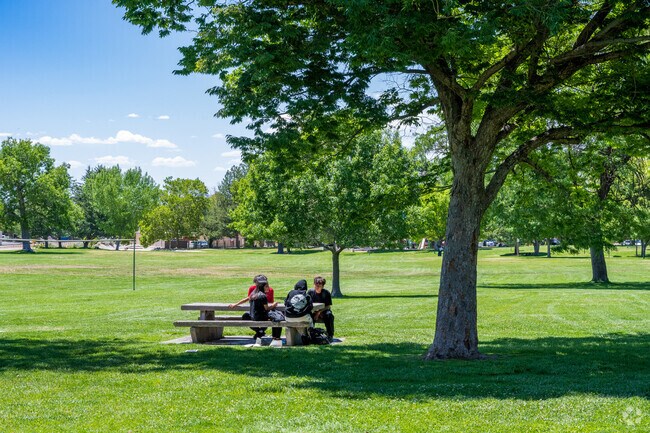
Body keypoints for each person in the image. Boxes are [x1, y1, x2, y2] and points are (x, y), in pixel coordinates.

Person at [247, 277, 283, 344]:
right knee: (278, 318)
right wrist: (273, 305)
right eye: (266, 286)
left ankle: (260, 332)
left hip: (252, 316)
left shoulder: (253, 294)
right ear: (262, 287)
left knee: (276, 316)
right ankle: (276, 337)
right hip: (260, 317)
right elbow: (266, 309)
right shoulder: (263, 296)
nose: (268, 288)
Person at [307, 275, 334, 341]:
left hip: (323, 311)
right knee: (308, 316)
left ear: (323, 285)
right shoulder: (310, 292)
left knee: (329, 315)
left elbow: (328, 306)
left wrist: (319, 312)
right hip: (313, 311)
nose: (317, 286)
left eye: (320, 284)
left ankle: (330, 334)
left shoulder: (326, 293)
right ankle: (309, 334)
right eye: (316, 284)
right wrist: (315, 312)